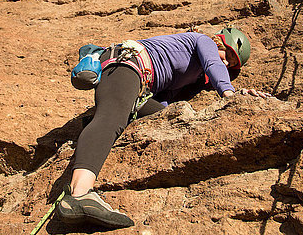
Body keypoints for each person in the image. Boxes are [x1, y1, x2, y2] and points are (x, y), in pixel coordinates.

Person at [56, 28, 270, 228]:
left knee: (165, 118)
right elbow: (213, 64)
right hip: (125, 65)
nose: (226, 64)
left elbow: (167, 101)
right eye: (228, 56)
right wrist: (230, 95)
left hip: (140, 86)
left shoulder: (191, 75)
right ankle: (79, 195)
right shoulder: (203, 41)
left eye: (231, 65)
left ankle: (100, 127)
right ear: (220, 43)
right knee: (112, 117)